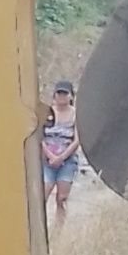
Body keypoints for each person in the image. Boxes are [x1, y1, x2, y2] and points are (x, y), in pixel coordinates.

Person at [41, 80, 81, 231]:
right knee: (44, 193)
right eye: (59, 93)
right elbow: (39, 137)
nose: (62, 97)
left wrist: (62, 157)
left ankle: (58, 230)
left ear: (71, 96)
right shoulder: (46, 113)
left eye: (65, 93)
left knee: (62, 198)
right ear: (54, 95)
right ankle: (40, 228)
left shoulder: (76, 114)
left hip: (67, 160)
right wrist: (50, 155)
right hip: (47, 159)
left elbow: (77, 140)